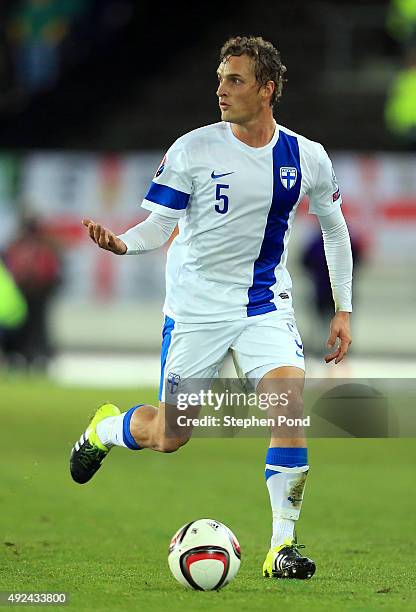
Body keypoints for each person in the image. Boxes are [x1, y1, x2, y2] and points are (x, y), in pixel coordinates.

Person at [70, 36, 353, 580]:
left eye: (235, 80)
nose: (221, 90)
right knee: (171, 436)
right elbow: (159, 223)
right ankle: (105, 429)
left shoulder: (306, 156)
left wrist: (343, 310)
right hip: (196, 309)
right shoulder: (193, 149)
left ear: (267, 90)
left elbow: (336, 231)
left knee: (289, 404)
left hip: (265, 303)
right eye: (220, 78)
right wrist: (124, 243)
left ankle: (282, 547)